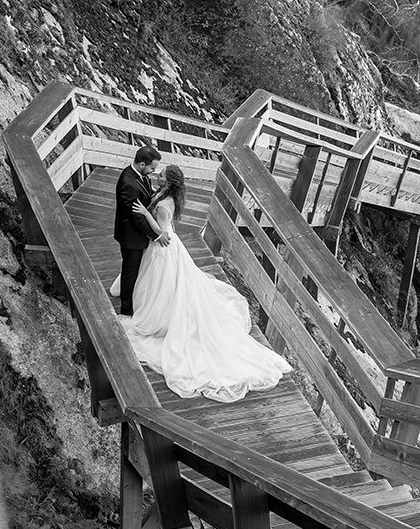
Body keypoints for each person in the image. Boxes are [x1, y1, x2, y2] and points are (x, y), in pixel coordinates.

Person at [117, 166, 292, 402]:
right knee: (166, 284)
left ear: (168, 184)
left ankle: (158, 316)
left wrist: (145, 214)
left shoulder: (162, 205)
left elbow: (161, 231)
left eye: (161, 177)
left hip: (164, 248)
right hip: (168, 247)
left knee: (165, 286)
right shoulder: (168, 197)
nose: (157, 177)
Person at [113, 145, 171, 316]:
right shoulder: (128, 183)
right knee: (130, 272)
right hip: (131, 235)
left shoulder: (139, 175)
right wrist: (158, 235)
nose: (154, 172)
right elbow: (136, 217)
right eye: (153, 168)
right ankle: (126, 309)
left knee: (137, 270)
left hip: (138, 233)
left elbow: (146, 194)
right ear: (142, 165)